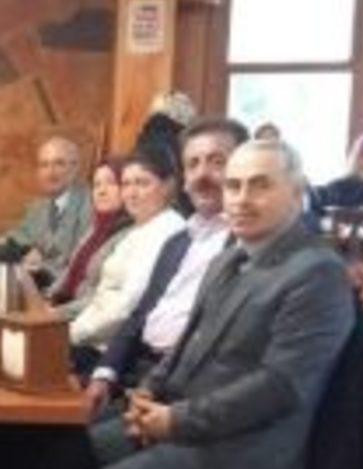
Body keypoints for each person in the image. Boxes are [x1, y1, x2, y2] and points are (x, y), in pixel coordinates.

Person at [44, 139, 355, 469]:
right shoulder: (228, 259)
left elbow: (279, 387)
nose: (242, 198)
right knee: (62, 454)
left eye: (260, 185)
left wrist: (176, 420)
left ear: (297, 191)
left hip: (244, 454)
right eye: (234, 186)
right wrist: (148, 390)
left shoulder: (317, 273)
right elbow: (186, 345)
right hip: (184, 423)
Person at [84, 118, 249, 415]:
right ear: (184, 178)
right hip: (135, 371)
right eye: (193, 164)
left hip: (183, 390)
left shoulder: (248, 244)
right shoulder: (179, 241)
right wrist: (105, 374)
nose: (202, 174)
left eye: (217, 162)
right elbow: (140, 314)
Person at [68, 145, 187, 373]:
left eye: (142, 183)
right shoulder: (138, 229)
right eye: (126, 184)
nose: (131, 193)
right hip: (91, 337)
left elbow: (127, 306)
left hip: (116, 354)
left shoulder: (168, 231)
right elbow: (102, 298)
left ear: (168, 186)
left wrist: (70, 334)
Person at [4, 136, 93, 286]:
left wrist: (41, 267)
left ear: (75, 168)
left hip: (69, 291)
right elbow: (15, 236)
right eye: (44, 165)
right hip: (37, 287)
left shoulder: (90, 206)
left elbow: (81, 264)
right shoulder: (38, 208)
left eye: (59, 163)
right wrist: (27, 249)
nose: (51, 172)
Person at [49, 157, 132, 317]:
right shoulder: (94, 229)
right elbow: (69, 272)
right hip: (63, 309)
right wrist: (46, 298)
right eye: (96, 185)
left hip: (86, 319)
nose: (101, 191)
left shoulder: (130, 235)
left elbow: (105, 298)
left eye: (111, 183)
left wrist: (57, 313)